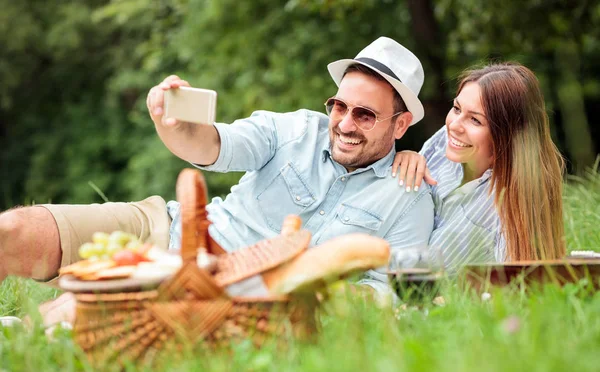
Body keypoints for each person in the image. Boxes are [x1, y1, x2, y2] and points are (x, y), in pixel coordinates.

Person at [0, 37, 434, 297]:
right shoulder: (293, 130)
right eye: (338, 105)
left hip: (240, 302)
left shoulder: (408, 196)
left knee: (71, 317)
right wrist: (174, 121)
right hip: (172, 235)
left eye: (365, 114)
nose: (343, 123)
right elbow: (211, 145)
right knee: (16, 232)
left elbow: (387, 292)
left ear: (400, 125)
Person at [390, 62, 565, 272]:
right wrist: (409, 157)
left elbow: (518, 289)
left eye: (475, 120)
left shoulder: (510, 209)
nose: (454, 125)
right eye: (456, 109)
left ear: (507, 136)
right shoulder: (443, 145)